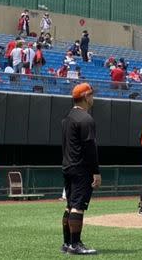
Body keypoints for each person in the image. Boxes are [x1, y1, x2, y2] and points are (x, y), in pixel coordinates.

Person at [60, 83, 101, 255]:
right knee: (78, 206)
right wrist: (96, 172)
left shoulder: (68, 117)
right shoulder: (86, 119)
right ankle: (75, 245)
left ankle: (67, 243)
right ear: (86, 97)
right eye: (91, 94)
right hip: (81, 168)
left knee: (70, 205)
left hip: (68, 166)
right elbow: (90, 149)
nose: (93, 97)